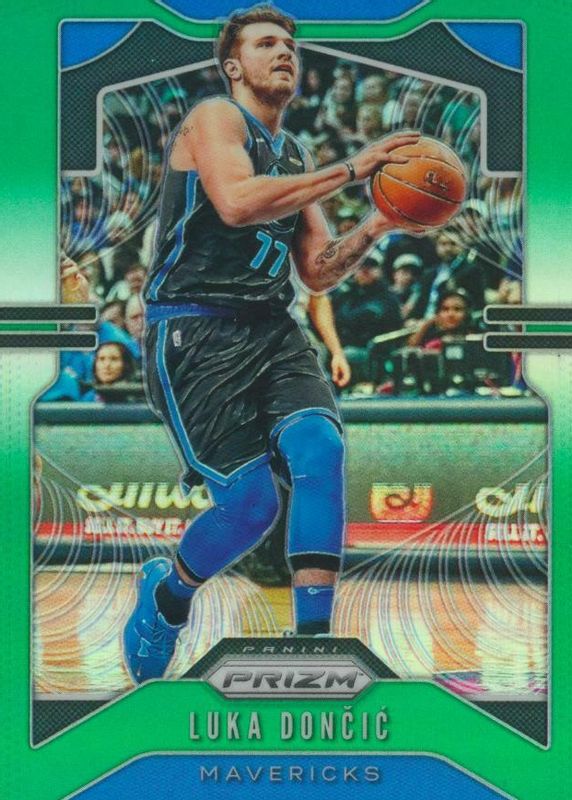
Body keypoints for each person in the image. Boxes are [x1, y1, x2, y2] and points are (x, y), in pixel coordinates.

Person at [123, 4, 423, 684]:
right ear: (234, 66)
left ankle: (314, 640)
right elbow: (235, 203)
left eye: (289, 44)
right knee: (252, 508)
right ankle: (167, 599)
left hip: (270, 325)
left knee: (320, 447)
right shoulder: (214, 118)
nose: (284, 51)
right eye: (266, 43)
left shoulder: (295, 155)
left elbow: (316, 270)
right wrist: (353, 170)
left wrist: (377, 225)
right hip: (194, 329)